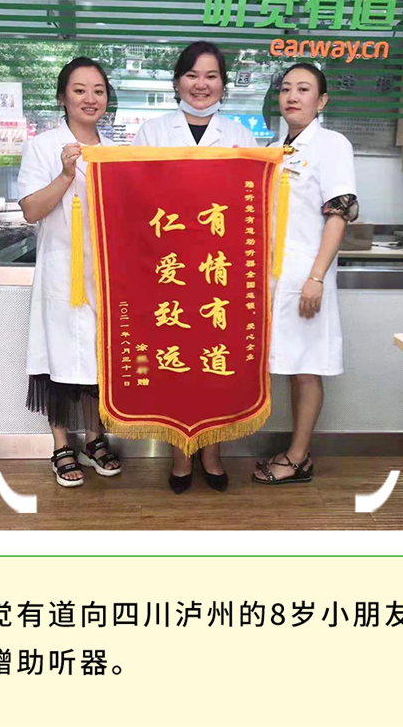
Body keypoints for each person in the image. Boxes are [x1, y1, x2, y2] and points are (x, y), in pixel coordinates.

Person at [135, 41, 258, 493]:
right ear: (177, 82)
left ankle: (212, 452)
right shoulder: (151, 133)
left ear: (223, 83)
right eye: (191, 75)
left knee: (215, 366)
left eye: (211, 76)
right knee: (175, 365)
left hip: (218, 271)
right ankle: (179, 455)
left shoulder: (241, 137)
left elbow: (254, 205)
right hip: (168, 269)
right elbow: (136, 199)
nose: (200, 85)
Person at [18, 57, 122, 487]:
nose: (90, 98)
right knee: (57, 358)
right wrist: (65, 175)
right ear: (62, 97)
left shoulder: (116, 152)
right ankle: (61, 445)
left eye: (98, 90)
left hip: (106, 275)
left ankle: (95, 440)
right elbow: (30, 211)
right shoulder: (43, 146)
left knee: (100, 360)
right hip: (61, 271)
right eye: (79, 90)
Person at [252, 63, 358, 485]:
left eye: (304, 89)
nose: (292, 96)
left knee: (307, 367)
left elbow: (339, 214)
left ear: (322, 100)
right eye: (286, 89)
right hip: (276, 277)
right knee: (291, 363)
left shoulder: (331, 145)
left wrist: (316, 277)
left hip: (307, 277)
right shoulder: (275, 149)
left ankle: (298, 458)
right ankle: (297, 452)